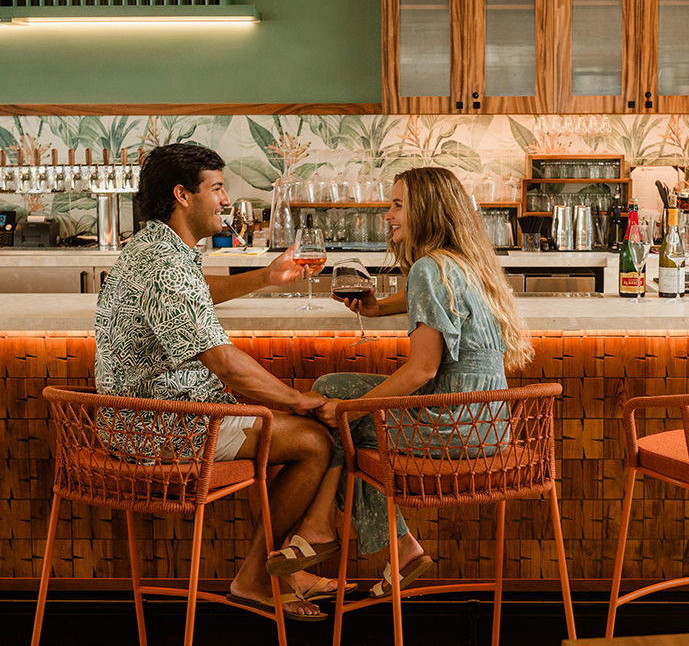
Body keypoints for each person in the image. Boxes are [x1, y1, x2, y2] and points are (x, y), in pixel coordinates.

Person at [94, 143, 342, 621]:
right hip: (160, 423)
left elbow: (200, 294)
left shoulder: (157, 246)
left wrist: (266, 275)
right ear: (182, 195)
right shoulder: (163, 263)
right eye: (218, 188)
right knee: (313, 440)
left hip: (151, 411)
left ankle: (284, 569)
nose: (227, 200)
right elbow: (225, 364)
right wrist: (298, 399)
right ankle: (255, 577)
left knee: (283, 431)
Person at [267, 166, 534, 598]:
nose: (387, 215)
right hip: (487, 422)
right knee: (332, 384)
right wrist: (374, 309)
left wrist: (349, 409)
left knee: (336, 421)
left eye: (397, 205)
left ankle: (327, 529)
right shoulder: (464, 264)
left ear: (425, 210)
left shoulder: (430, 268)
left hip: (452, 427)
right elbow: (429, 301)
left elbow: (422, 370)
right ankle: (393, 546)